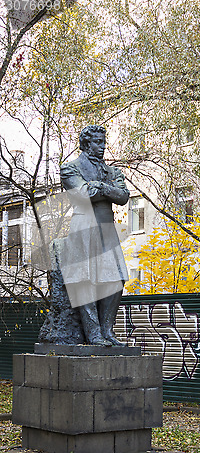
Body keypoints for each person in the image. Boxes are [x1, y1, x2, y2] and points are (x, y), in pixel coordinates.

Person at [59, 125, 129, 346]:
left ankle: (108, 331)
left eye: (103, 141)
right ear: (87, 143)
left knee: (116, 279)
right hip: (83, 228)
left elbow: (124, 196)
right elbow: (82, 194)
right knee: (84, 281)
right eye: (98, 141)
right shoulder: (70, 168)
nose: (103, 145)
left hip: (107, 228)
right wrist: (105, 189)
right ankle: (94, 334)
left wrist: (100, 187)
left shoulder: (113, 172)